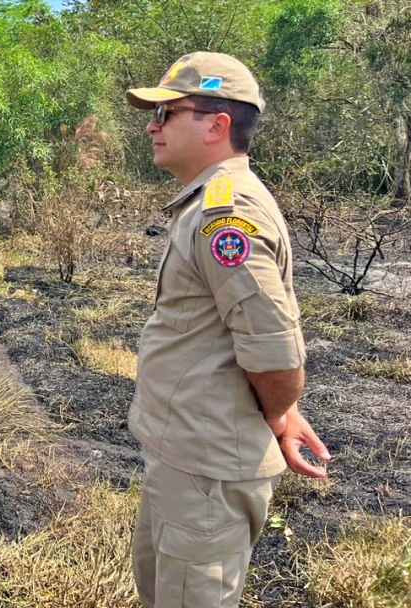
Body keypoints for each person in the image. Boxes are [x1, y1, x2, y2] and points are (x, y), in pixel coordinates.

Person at [124, 52, 331, 607]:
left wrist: (281, 409)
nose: (152, 124)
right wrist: (282, 413)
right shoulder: (206, 204)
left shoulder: (227, 212)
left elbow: (275, 352)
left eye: (168, 113)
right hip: (189, 456)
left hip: (208, 471)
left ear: (217, 125)